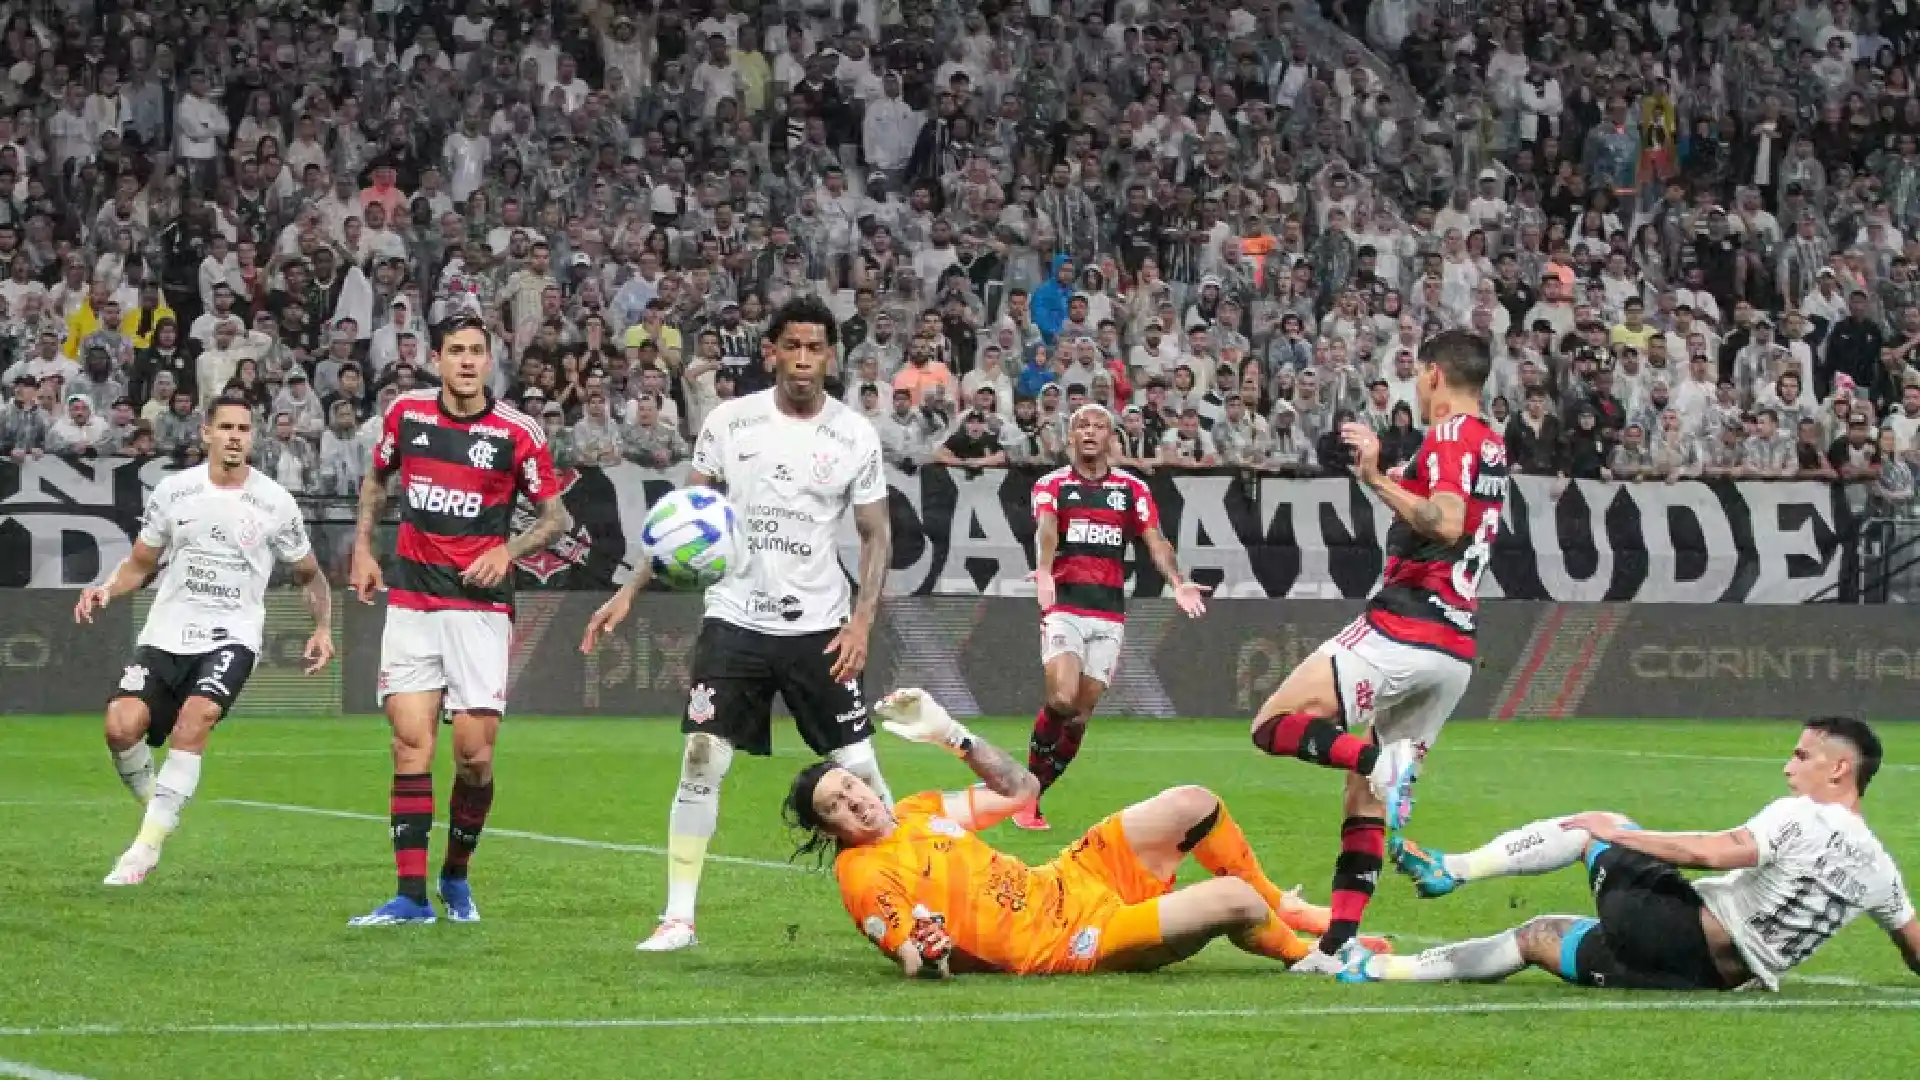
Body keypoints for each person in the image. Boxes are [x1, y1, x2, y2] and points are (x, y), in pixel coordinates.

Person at [580, 295, 896, 953]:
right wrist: (630, 590)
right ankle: (678, 918)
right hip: (734, 619)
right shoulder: (730, 422)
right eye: (794, 347)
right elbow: (685, 516)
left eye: (817, 348)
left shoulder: (854, 435)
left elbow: (875, 536)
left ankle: (914, 898)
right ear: (771, 352)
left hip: (820, 626)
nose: (805, 360)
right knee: (700, 758)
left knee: (861, 770)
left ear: (829, 356)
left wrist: (863, 622)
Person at [793, 688, 1390, 977]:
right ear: (831, 830)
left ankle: (1285, 905)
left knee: (1193, 802)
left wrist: (951, 733)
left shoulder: (918, 811)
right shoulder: (863, 874)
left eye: (851, 788)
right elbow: (909, 951)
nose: (856, 803)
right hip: (1074, 940)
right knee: (1232, 901)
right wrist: (925, 949)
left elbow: (1022, 791)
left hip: (1066, 881)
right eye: (838, 807)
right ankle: (1314, 957)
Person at [1246, 328, 1509, 972]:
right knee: (1362, 795)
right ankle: (1338, 948)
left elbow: (1443, 521)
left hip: (1404, 626)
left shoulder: (1448, 436)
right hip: (1454, 648)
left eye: (1418, 376)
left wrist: (1373, 476)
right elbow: (1444, 510)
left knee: (1274, 725)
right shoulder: (1491, 445)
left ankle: (1379, 760)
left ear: (1434, 377)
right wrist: (1383, 476)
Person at [1343, 717, 1920, 991]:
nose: (1788, 766)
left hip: (1678, 932)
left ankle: (1453, 869)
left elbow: (1717, 854)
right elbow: (1915, 951)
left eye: (1801, 755)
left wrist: (1618, 837)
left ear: (1840, 768)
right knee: (1538, 937)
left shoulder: (1804, 815)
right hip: (1706, 979)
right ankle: (1381, 969)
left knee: (1602, 825)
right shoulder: (1881, 871)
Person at [346, 312, 570, 926]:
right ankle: (410, 896)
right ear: (437, 360)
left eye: (477, 351)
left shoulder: (516, 432)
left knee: (473, 757)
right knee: (410, 745)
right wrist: (364, 547)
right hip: (413, 600)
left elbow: (556, 519)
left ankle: (456, 874)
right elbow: (376, 480)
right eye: (455, 351)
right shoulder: (407, 416)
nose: (467, 361)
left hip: (479, 610)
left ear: (489, 360)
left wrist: (507, 550)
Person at [76, 388, 334, 886]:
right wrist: (107, 589)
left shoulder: (274, 503)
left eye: (244, 429)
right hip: (168, 631)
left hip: (231, 636)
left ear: (251, 437)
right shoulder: (175, 493)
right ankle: (158, 808)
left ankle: (142, 852)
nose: (235, 437)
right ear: (207, 434)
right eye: (227, 428)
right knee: (119, 726)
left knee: (196, 720)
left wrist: (322, 626)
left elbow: (310, 574)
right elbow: (140, 564)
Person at [1015, 404, 1210, 831]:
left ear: (1111, 439)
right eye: (1080, 424)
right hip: (1065, 606)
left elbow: (1155, 541)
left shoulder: (1132, 490)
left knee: (1080, 717)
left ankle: (1032, 796)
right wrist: (1045, 569)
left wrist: (1176, 581)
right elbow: (1047, 527)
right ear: (1069, 437)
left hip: (1109, 614)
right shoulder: (1052, 485)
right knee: (1062, 700)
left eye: (1098, 426)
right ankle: (1025, 791)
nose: (1089, 431)